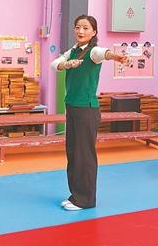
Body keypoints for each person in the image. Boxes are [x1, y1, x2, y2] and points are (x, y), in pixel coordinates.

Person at [50, 15, 130, 211]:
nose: (81, 31)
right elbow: (55, 64)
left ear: (94, 32)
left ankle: (85, 200)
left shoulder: (93, 52)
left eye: (86, 28)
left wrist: (118, 57)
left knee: (84, 156)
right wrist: (66, 64)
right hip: (72, 108)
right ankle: (76, 195)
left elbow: (104, 53)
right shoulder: (72, 52)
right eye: (78, 27)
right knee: (73, 153)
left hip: (86, 110)